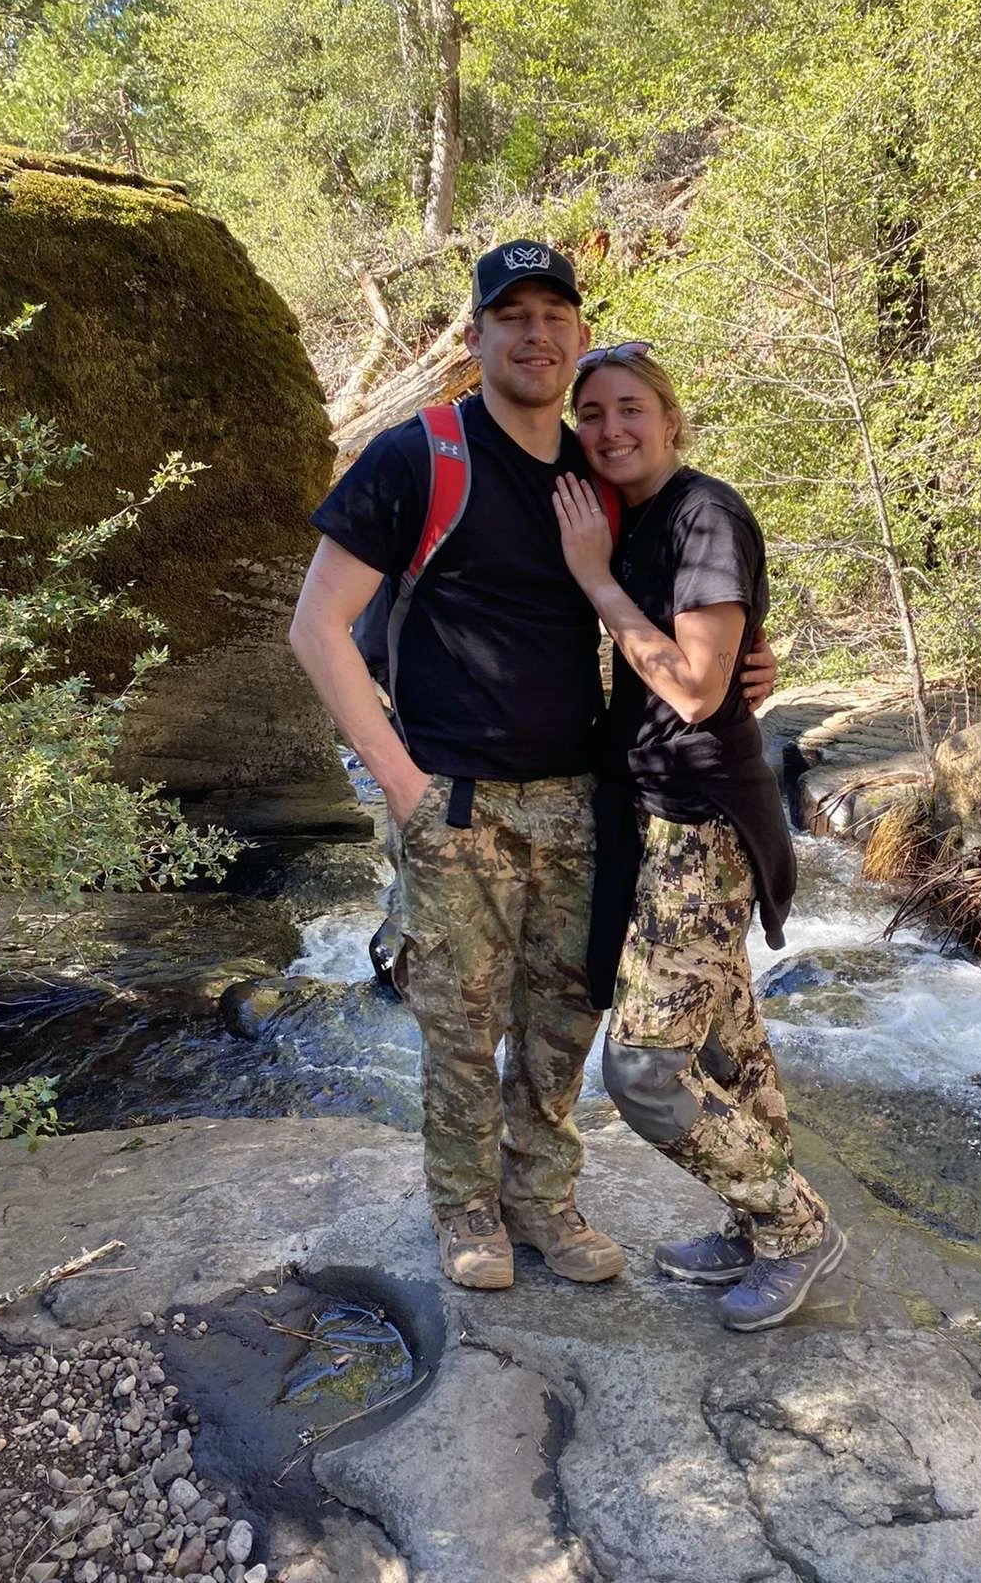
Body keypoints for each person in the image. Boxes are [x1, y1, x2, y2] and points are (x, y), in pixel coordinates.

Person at [288, 243, 776, 1294]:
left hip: (584, 799)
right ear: (475, 338)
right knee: (461, 1032)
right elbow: (316, 627)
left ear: (578, 334)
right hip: (453, 798)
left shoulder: (598, 471)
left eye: (555, 312)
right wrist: (403, 787)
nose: (536, 333)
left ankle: (543, 1199)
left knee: (562, 1025)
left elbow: (674, 622)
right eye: (511, 315)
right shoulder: (419, 457)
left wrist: (747, 666)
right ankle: (465, 1211)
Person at [552, 344, 844, 1332]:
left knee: (640, 1070)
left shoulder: (701, 514)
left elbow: (694, 687)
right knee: (725, 1044)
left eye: (630, 407)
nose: (610, 429)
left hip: (700, 823)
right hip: (656, 819)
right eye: (589, 413)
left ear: (671, 419)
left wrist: (594, 580)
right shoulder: (631, 519)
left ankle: (795, 1227)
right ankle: (755, 1221)